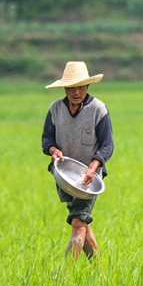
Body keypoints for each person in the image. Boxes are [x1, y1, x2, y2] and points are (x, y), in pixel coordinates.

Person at [41, 61, 114, 260]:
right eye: (72, 88)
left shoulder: (98, 109)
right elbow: (47, 139)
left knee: (77, 223)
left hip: (88, 179)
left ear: (87, 87)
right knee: (83, 223)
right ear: (65, 88)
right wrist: (54, 150)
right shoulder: (55, 109)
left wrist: (93, 168)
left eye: (81, 87)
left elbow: (107, 145)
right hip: (65, 175)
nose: (76, 92)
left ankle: (66, 274)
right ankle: (99, 272)